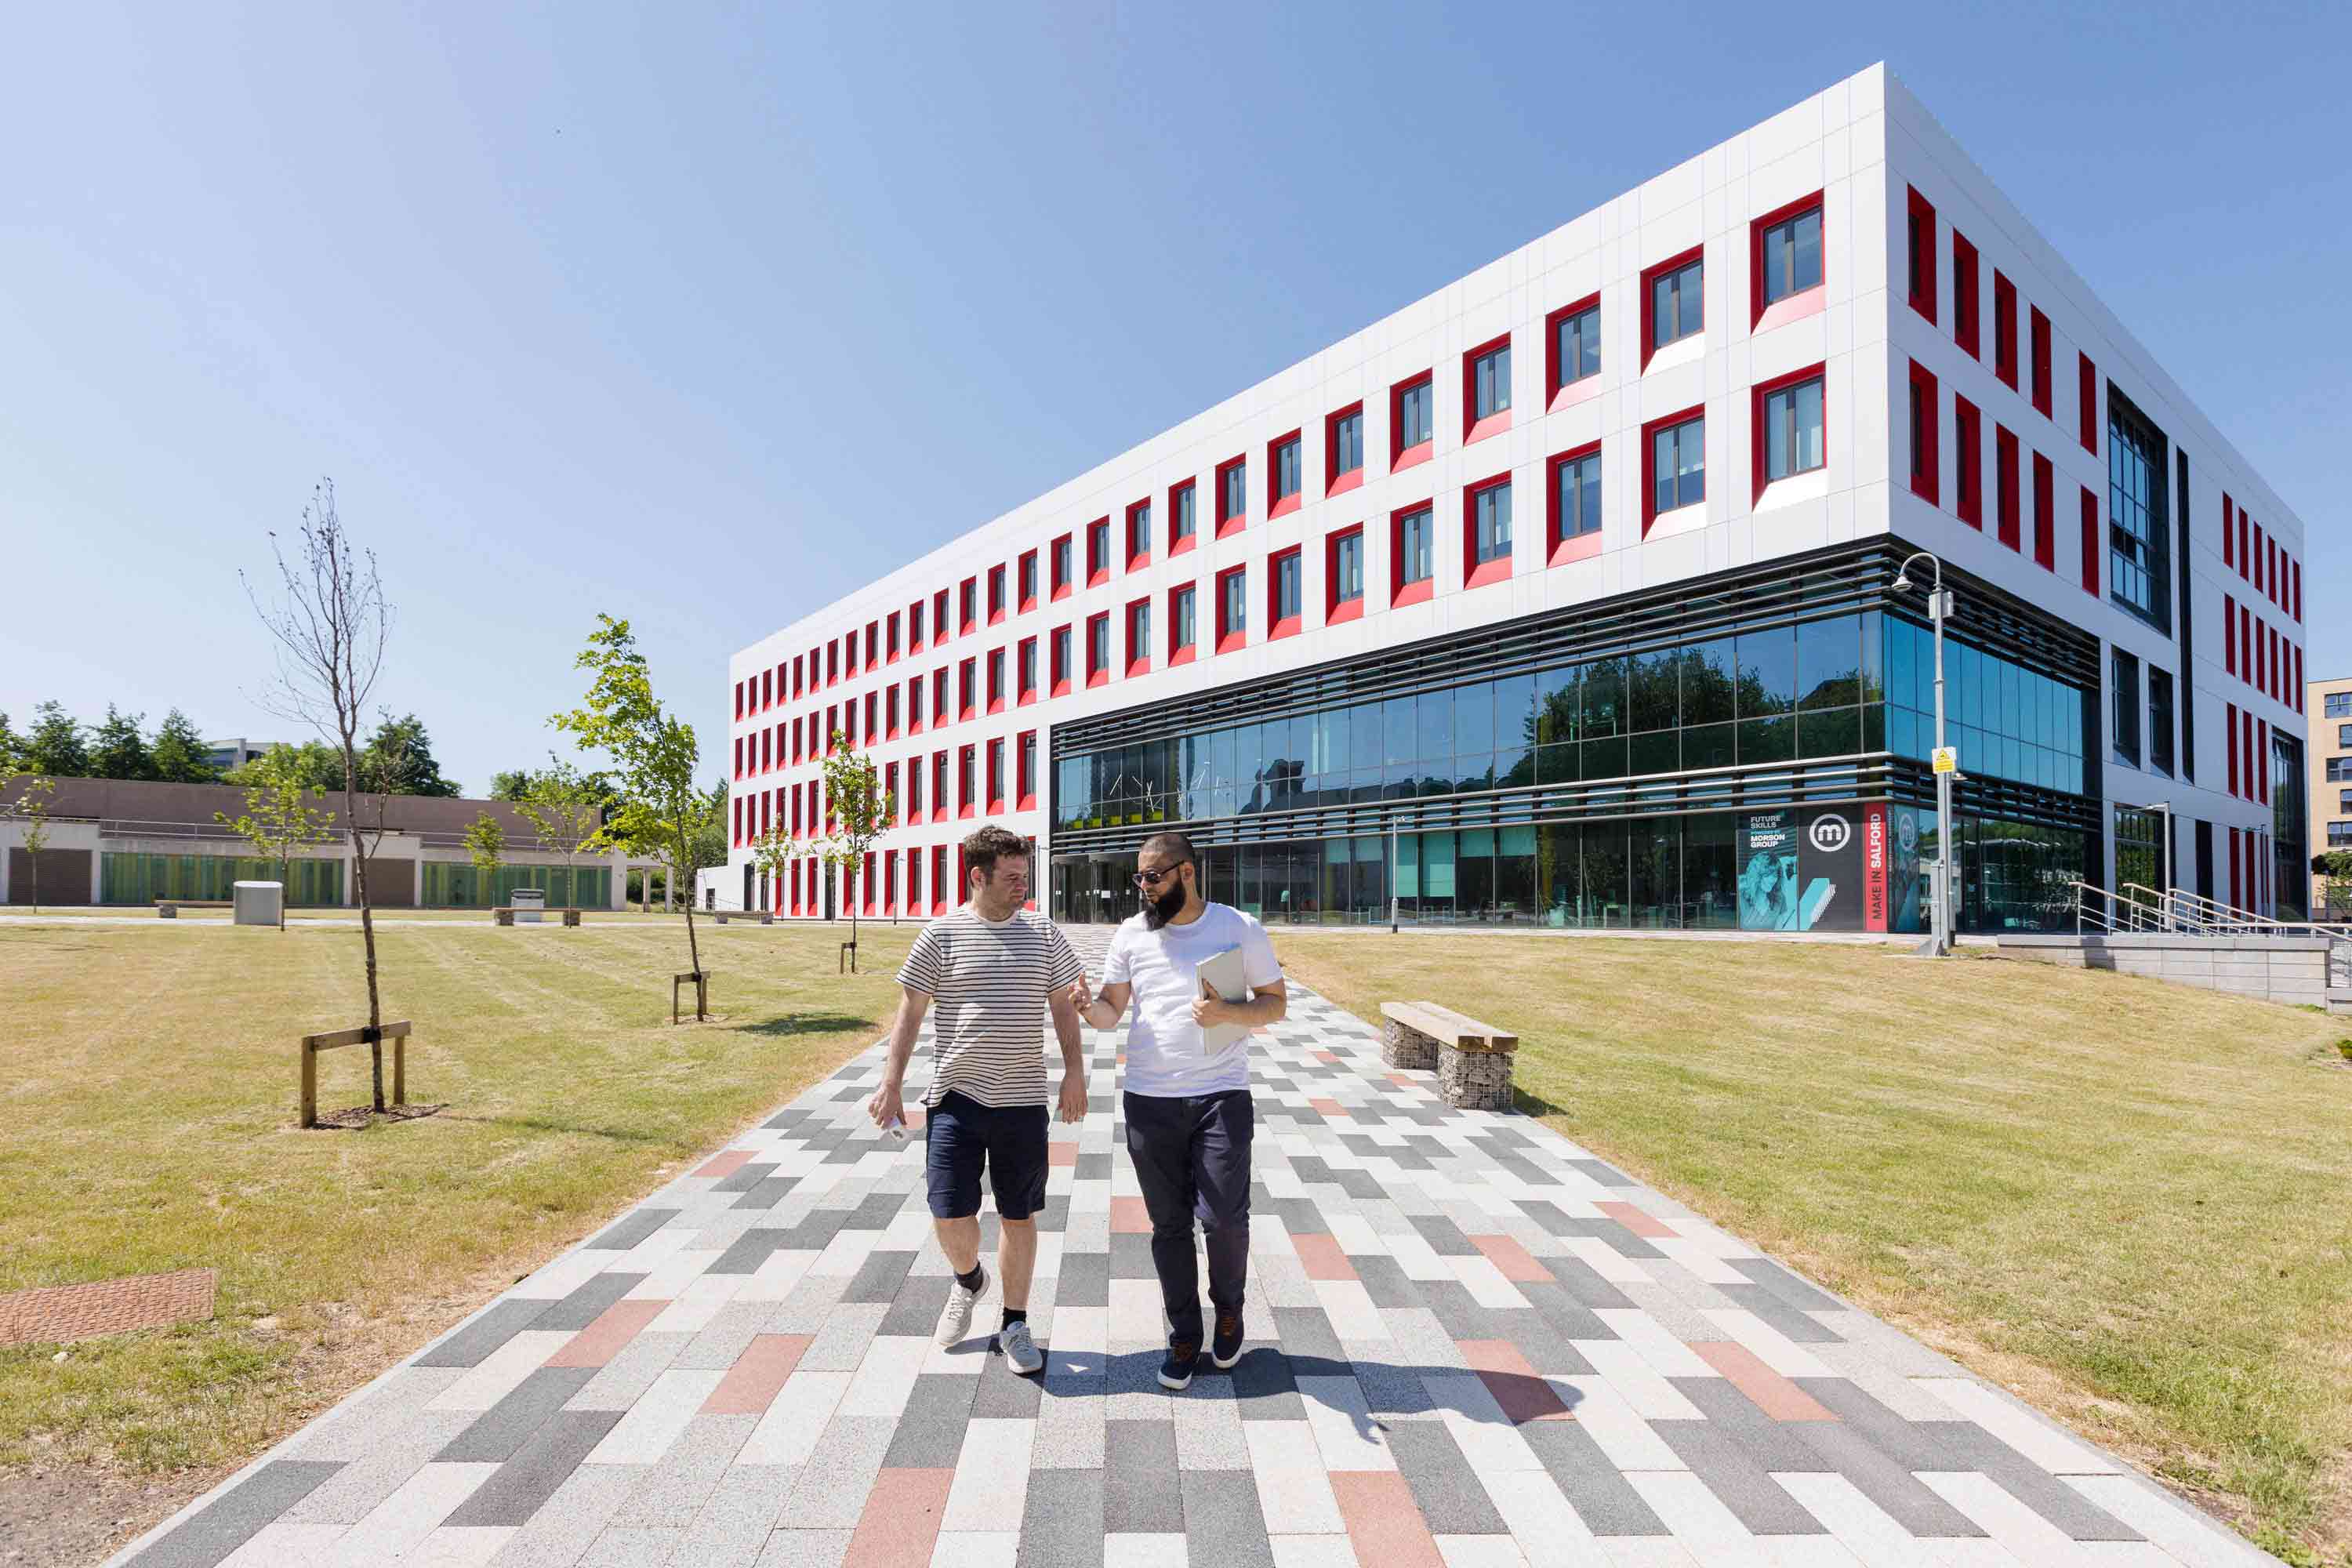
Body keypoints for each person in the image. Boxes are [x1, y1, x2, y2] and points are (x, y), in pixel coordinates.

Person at [870, 824, 1087, 1375]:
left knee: (1019, 1214)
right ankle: (969, 1280)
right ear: (977, 876)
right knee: (950, 1214)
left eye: (1025, 875)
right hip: (955, 1099)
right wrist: (891, 1083)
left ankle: (1014, 1321)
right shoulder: (940, 936)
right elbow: (911, 1013)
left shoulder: (1043, 934)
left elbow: (1064, 1006)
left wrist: (1074, 1073)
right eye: (1012, 877)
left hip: (1021, 1101)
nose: (1023, 886)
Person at [1071, 830, 1285, 1389]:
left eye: (1153, 876)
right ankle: (1184, 1333)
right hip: (1149, 1099)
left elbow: (1275, 1004)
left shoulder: (1238, 928)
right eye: (1139, 877)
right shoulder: (1131, 935)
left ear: (1187, 872)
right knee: (1169, 1226)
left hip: (1222, 1095)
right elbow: (1111, 1012)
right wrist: (1086, 1007)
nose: (1143, 887)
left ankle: (1230, 1309)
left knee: (1222, 1219)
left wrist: (1229, 1012)